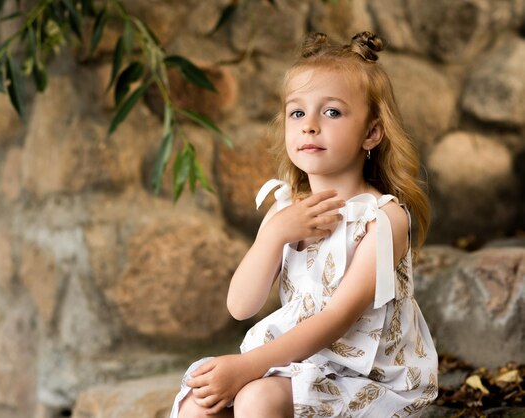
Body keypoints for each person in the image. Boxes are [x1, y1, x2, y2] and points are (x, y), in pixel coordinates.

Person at [170, 31, 438, 418]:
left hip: (369, 378)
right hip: (302, 365)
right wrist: (273, 234)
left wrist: (248, 366)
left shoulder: (383, 218)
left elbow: (337, 319)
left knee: (256, 398)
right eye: (298, 113)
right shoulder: (285, 213)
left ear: (371, 133)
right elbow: (240, 306)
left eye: (331, 112)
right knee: (199, 404)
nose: (309, 125)